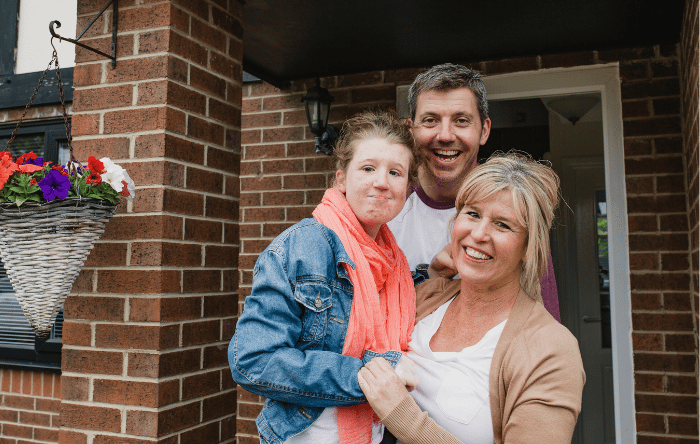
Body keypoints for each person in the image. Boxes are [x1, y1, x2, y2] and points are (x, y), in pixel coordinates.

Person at [358, 153, 585, 444]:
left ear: (529, 248)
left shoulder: (550, 351)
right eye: (473, 214)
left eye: (502, 224)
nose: (478, 234)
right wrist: (433, 277)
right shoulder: (427, 297)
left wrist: (402, 415)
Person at [229, 110, 420, 444]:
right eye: (368, 168)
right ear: (341, 179)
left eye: (395, 172)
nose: (381, 181)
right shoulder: (304, 246)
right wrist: (369, 375)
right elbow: (253, 361)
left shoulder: (396, 265)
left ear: (407, 188)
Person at [387, 63, 561, 321]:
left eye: (461, 121)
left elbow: (543, 319)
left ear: (484, 130)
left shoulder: (514, 210)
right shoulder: (383, 204)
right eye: (431, 120)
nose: (445, 136)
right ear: (412, 130)